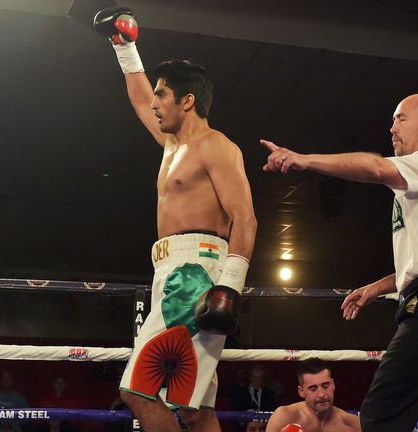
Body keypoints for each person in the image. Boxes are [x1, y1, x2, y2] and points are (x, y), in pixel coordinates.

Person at [261, 94, 418, 431]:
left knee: (381, 415)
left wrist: (303, 160)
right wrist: (378, 287)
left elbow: (374, 167)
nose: (392, 127)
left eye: (401, 119)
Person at [94, 6, 257, 432]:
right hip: (171, 271)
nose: (154, 102)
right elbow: (136, 95)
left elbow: (246, 219)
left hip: (194, 276)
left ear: (188, 100)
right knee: (194, 408)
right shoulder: (171, 144)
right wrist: (123, 45)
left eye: (163, 95)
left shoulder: (215, 146)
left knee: (137, 390)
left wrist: (229, 288)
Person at [265, 358, 360, 432]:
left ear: (333, 384)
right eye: (313, 389)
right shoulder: (284, 417)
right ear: (301, 391)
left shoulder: (352, 424)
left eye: (325, 386)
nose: (321, 394)